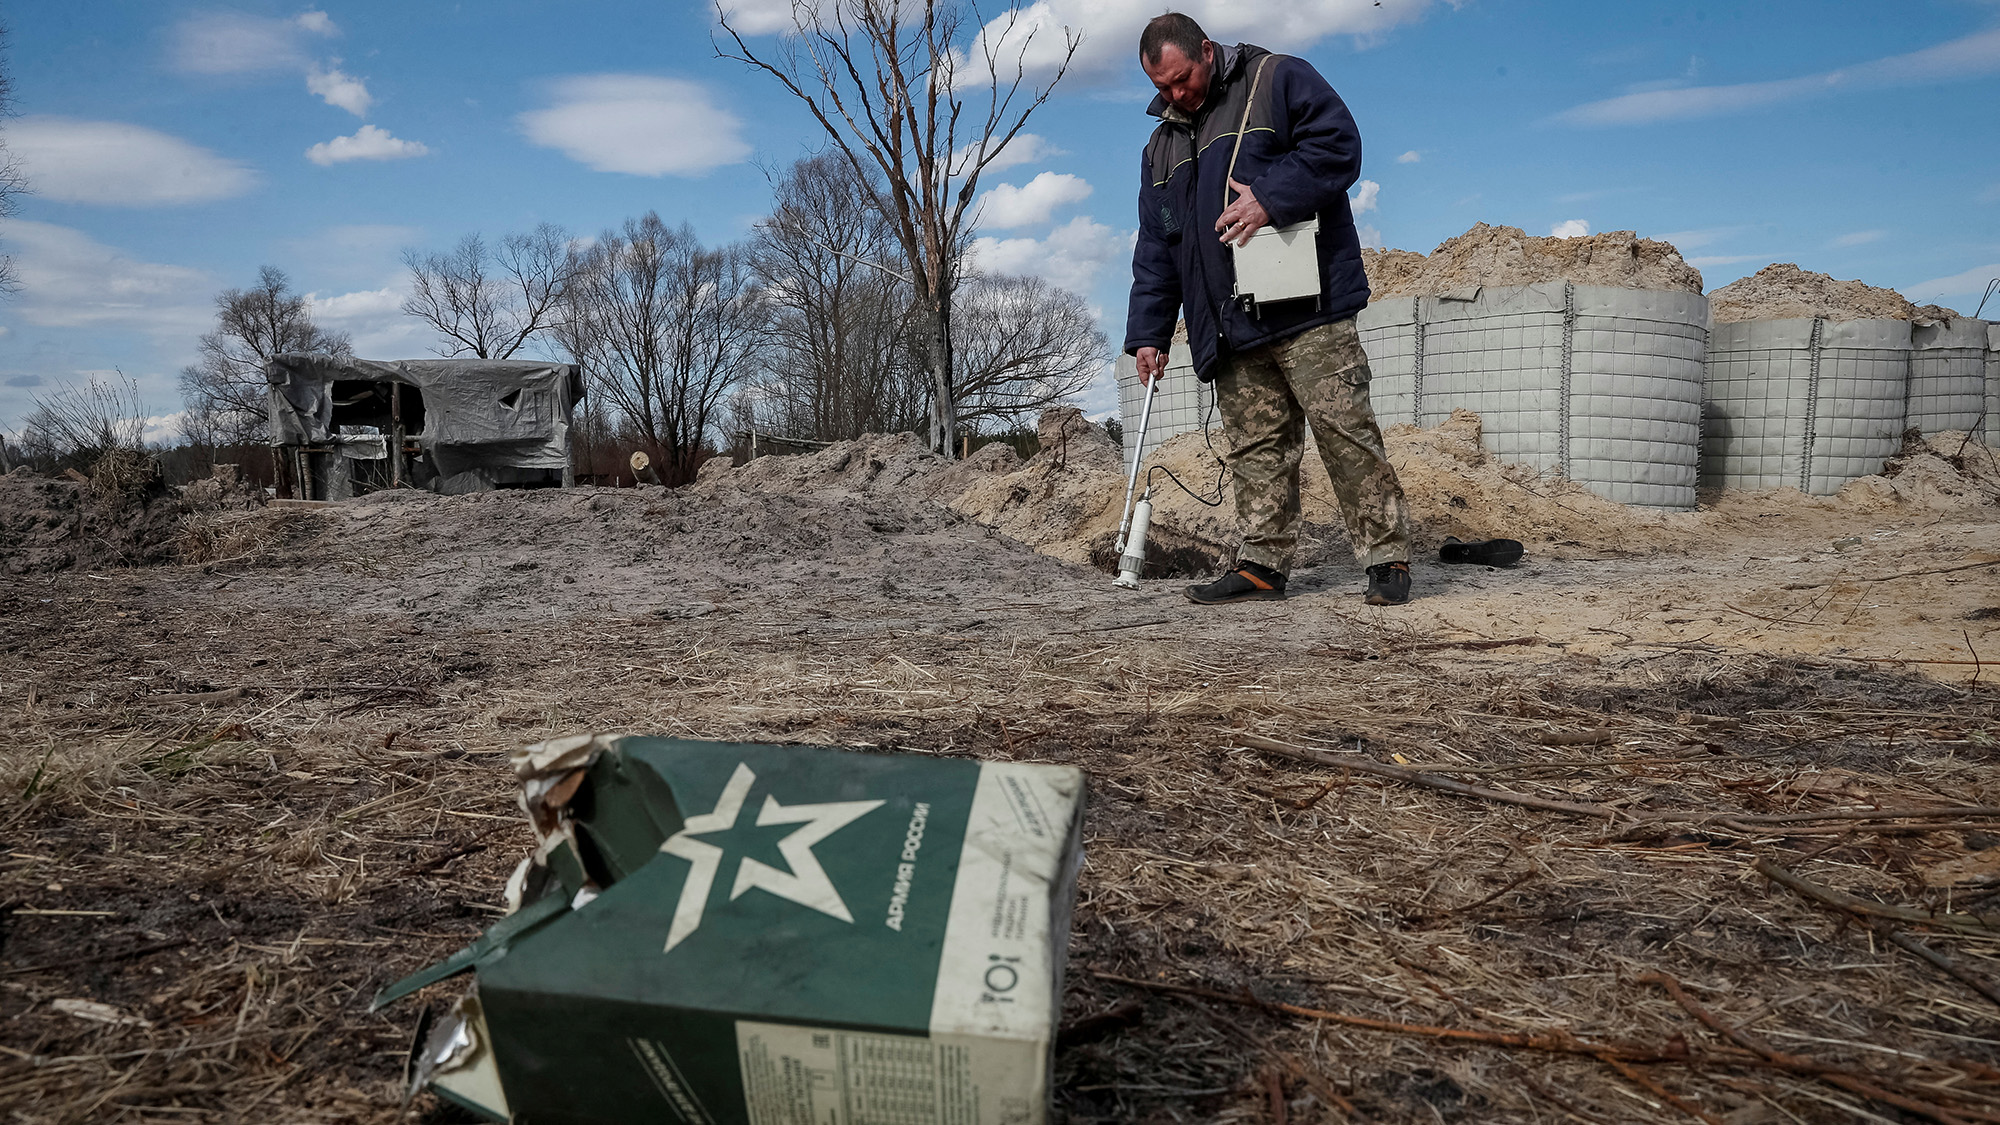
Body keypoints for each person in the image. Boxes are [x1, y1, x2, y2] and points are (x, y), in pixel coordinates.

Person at [1125, 12, 1412, 606]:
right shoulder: (1159, 149)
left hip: (1309, 306)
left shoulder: (1277, 79)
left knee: (1344, 433)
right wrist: (1148, 333)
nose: (1177, 94)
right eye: (1163, 88)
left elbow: (1339, 146)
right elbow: (1158, 247)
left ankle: (1387, 559)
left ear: (1207, 51)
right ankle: (1262, 564)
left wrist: (1269, 197)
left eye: (1183, 79)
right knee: (1255, 448)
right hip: (1229, 323)